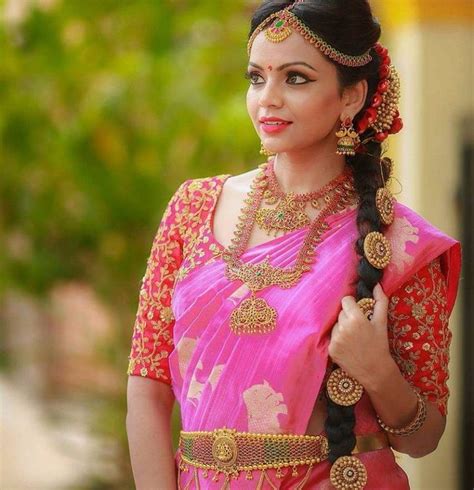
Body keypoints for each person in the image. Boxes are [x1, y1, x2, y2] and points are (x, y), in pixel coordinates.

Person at [125, 1, 462, 488]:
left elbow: (424, 437)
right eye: (257, 77)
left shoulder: (397, 244)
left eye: (296, 78)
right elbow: (147, 386)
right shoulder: (192, 207)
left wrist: (377, 370)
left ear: (351, 97)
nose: (268, 98)